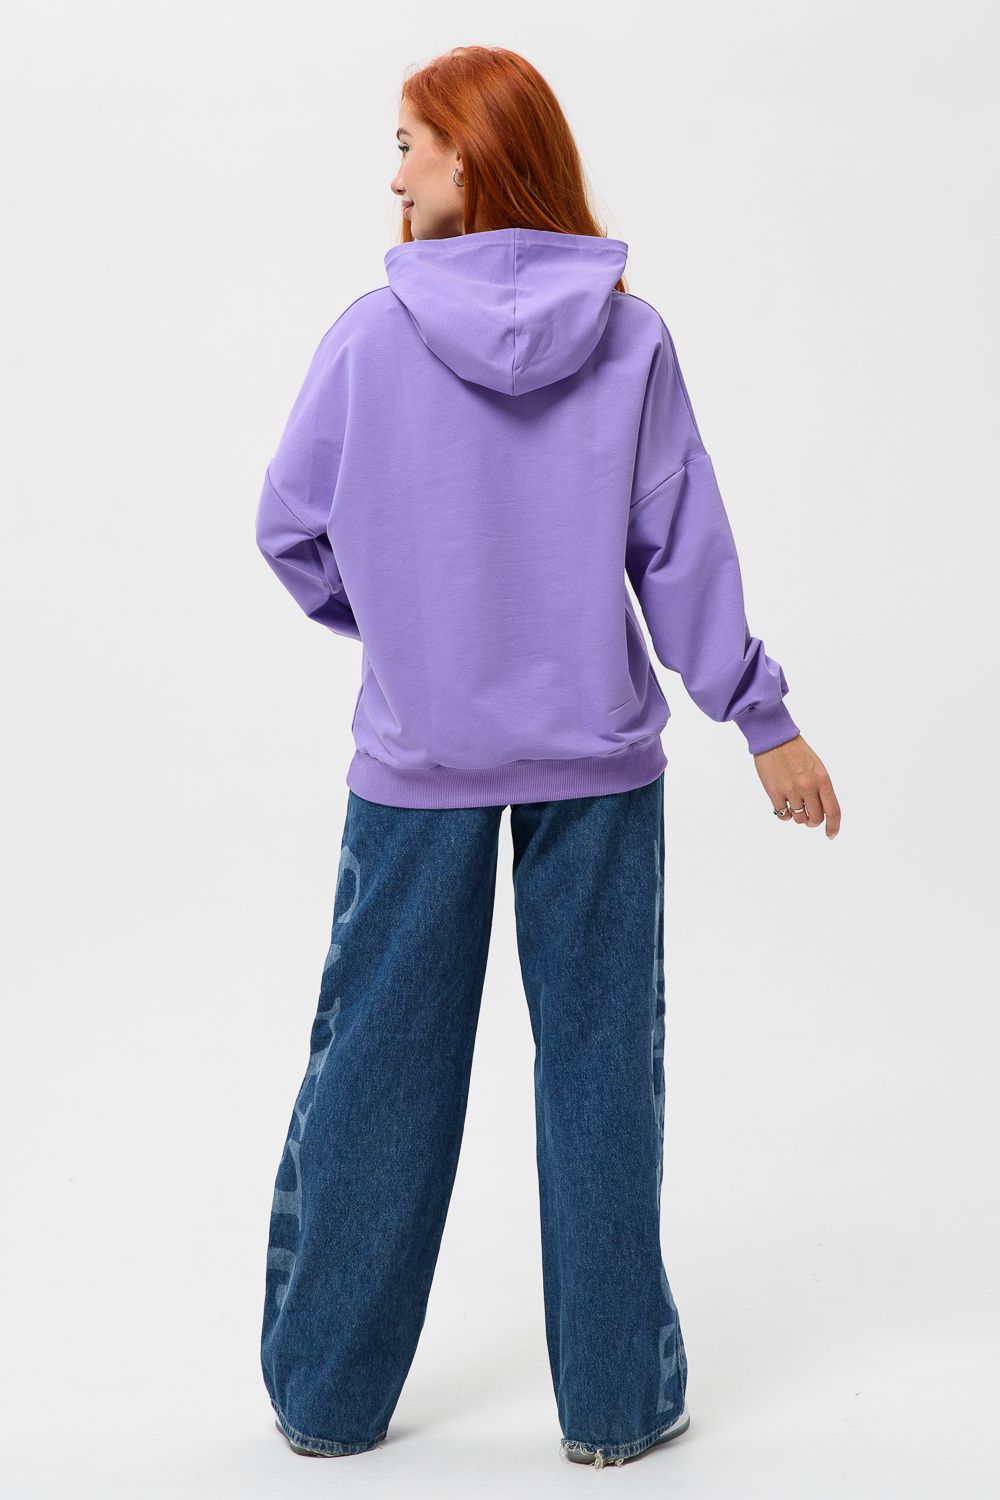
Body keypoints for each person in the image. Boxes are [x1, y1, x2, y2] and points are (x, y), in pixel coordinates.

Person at [254, 44, 841, 1469]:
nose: (394, 175)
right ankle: (618, 1408)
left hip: (420, 767)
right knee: (600, 1074)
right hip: (598, 760)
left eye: (409, 143)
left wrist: (408, 635)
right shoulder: (630, 340)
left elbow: (289, 529)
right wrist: (758, 715)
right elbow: (679, 546)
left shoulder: (370, 339)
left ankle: (326, 1400)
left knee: (377, 1070)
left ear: (470, 154)